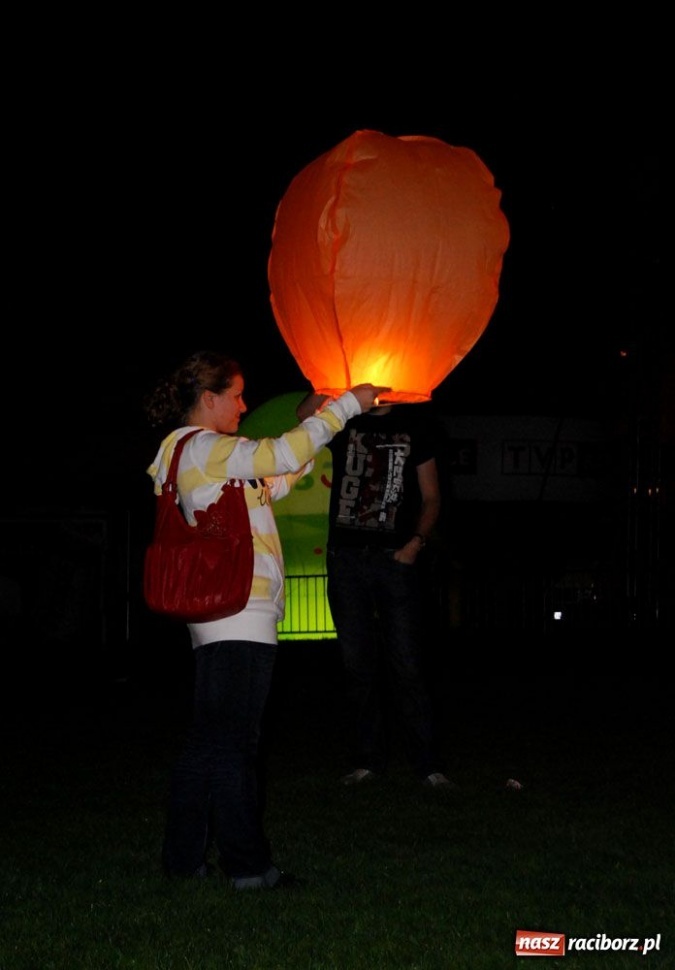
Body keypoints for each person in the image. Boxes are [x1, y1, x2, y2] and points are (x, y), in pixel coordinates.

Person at [144, 351, 388, 890]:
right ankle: (249, 868)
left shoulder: (196, 455)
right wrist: (348, 405)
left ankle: (183, 860)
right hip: (239, 615)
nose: (244, 404)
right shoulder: (205, 446)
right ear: (208, 399)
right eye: (235, 394)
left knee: (210, 743)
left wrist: (309, 424)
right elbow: (275, 455)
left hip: (222, 619)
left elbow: (273, 476)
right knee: (234, 747)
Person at [296, 391, 456, 791]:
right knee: (357, 664)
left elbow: (432, 497)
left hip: (394, 559)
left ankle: (428, 765)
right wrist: (330, 384)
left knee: (407, 662)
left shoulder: (416, 426)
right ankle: (368, 760)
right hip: (347, 558)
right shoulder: (346, 419)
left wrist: (415, 544)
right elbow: (301, 419)